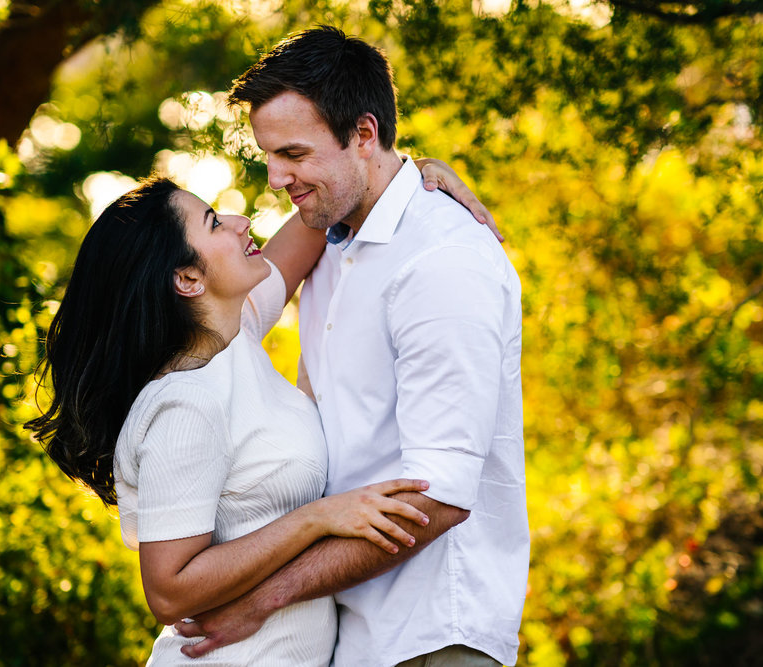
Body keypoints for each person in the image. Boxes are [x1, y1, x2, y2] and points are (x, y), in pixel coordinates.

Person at [26, 161, 494, 662]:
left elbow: (319, 220)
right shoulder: (185, 403)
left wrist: (401, 172)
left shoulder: (237, 333)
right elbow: (169, 591)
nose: (240, 220)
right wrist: (316, 519)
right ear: (187, 278)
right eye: (213, 223)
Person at [173, 26, 529, 667]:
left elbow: (440, 495)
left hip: (431, 633)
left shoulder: (442, 260)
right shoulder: (332, 235)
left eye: (295, 155)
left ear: (363, 134)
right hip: (348, 633)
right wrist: (406, 167)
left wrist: (267, 597)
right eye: (270, 157)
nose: (278, 178)